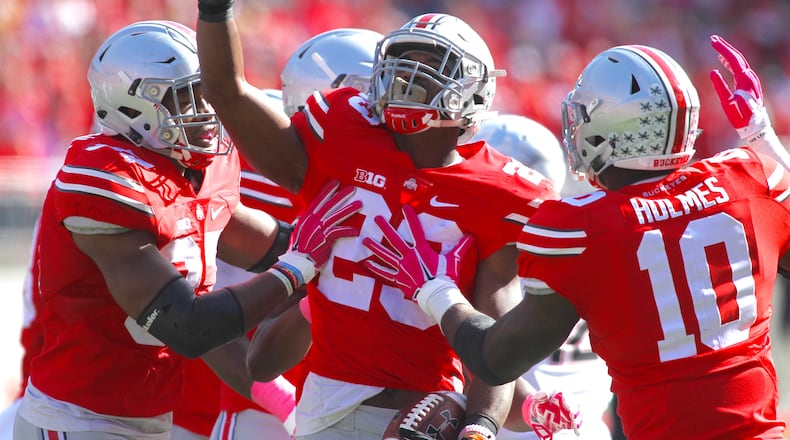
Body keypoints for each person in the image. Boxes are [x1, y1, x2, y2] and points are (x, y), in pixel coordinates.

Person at [362, 36, 790, 440]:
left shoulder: (577, 227)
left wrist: (435, 291)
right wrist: (765, 142)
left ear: (610, 129)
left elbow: (496, 360)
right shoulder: (751, 177)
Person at [196, 2, 579, 438]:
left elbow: (491, 351)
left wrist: (481, 427)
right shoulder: (340, 134)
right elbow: (226, 90)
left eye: (430, 64)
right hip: (326, 403)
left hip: (425, 413)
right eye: (402, 62)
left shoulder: (499, 194)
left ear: (472, 90)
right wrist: (216, 11)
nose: (408, 75)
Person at [13, 20, 361, 439]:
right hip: (79, 418)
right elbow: (189, 326)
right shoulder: (106, 178)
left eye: (208, 94)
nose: (208, 110)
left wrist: (351, 246)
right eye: (189, 96)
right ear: (132, 105)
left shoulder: (200, 171)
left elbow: (272, 244)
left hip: (151, 415)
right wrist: (301, 270)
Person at [212, 28, 382, 440]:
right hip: (264, 406)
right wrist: (281, 401)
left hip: (362, 402)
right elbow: (205, 313)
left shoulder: (389, 173)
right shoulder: (252, 169)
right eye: (379, 91)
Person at [470, 115, 613, 440]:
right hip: (588, 428)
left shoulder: (486, 261)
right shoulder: (593, 245)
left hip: (509, 426)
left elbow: (483, 365)